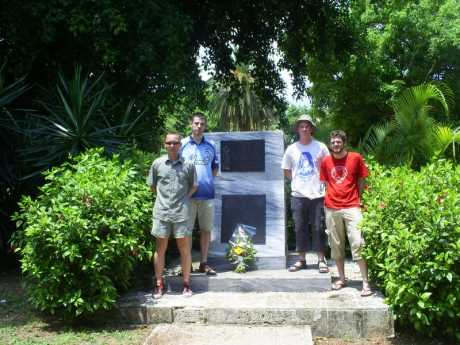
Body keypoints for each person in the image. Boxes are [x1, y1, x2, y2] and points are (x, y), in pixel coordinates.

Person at [319, 130, 372, 297]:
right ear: (330, 144)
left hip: (352, 206)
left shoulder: (355, 158)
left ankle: (365, 282)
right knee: (336, 245)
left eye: (339, 141)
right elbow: (326, 182)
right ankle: (342, 278)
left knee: (358, 242)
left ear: (344, 142)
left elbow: (362, 179)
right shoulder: (326, 161)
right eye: (333, 142)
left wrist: (359, 198)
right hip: (332, 207)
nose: (336, 144)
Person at [147, 133, 197, 298]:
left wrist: (185, 199)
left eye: (176, 142)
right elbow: (152, 186)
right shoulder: (157, 164)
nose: (172, 145)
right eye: (169, 143)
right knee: (160, 249)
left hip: (182, 213)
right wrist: (164, 200)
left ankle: (186, 284)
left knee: (184, 248)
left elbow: (194, 186)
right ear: (165, 145)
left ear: (180, 145)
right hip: (162, 212)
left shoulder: (188, 165)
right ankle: (159, 285)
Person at [282, 114, 330, 273]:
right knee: (299, 228)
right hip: (298, 195)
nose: (304, 128)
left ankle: (321, 260)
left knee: (318, 227)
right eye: (301, 126)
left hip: (317, 194)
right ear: (297, 129)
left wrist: (319, 171)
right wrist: (297, 182)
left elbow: (329, 167)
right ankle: (301, 259)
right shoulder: (291, 148)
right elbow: (287, 170)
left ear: (311, 129)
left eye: (307, 126)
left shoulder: (321, 147)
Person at [180, 112, 219, 275]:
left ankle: (204, 263)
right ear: (191, 124)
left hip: (207, 195)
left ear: (205, 125)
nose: (199, 126)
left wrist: (205, 180)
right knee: (186, 231)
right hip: (187, 197)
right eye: (196, 123)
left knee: (206, 230)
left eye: (202, 124)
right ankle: (187, 265)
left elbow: (215, 169)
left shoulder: (211, 145)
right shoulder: (181, 144)